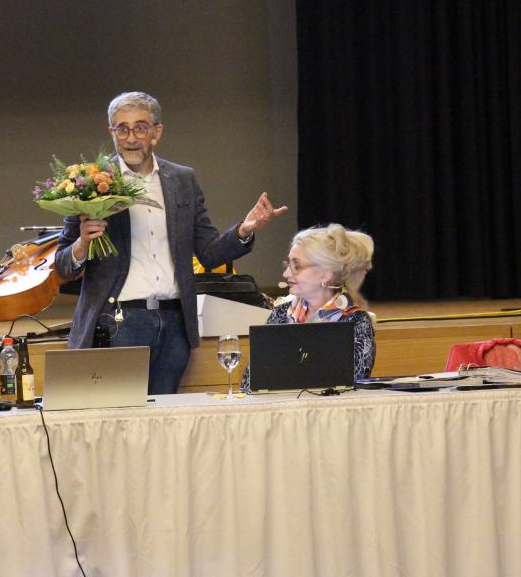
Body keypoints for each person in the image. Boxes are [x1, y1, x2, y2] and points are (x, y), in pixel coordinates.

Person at [54, 91, 287, 394]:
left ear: (156, 132)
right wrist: (83, 242)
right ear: (111, 132)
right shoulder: (90, 181)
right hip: (118, 323)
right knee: (120, 416)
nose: (131, 138)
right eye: (122, 129)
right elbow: (63, 266)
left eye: (140, 128)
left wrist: (244, 230)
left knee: (165, 415)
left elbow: (208, 252)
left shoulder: (182, 179)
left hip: (174, 323)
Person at [243, 224, 376, 389]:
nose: (286, 273)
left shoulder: (355, 322)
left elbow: (351, 386)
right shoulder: (281, 314)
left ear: (325, 274)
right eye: (288, 265)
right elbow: (249, 382)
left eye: (297, 266)